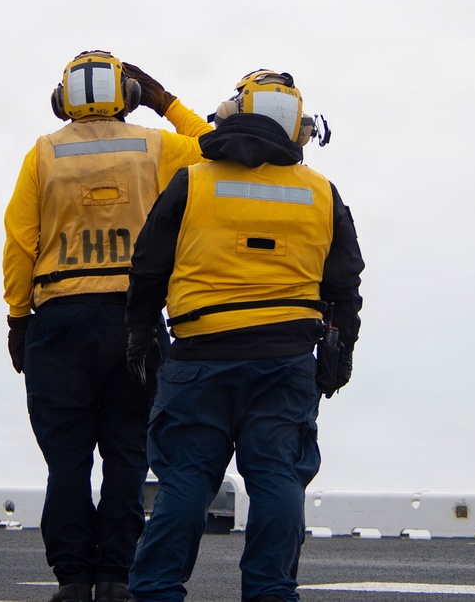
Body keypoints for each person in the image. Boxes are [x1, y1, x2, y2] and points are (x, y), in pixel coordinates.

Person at [125, 70, 364, 602]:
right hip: (285, 361)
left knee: (185, 482)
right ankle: (270, 593)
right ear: (298, 129)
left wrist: (140, 333)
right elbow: (344, 284)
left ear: (234, 114)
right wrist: (341, 348)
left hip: (199, 358)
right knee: (278, 479)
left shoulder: (192, 181)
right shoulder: (321, 193)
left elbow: (147, 268)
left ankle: (157, 592)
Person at [3, 51, 211, 602]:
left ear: (61, 99)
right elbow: (212, 144)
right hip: (134, 322)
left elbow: (20, 244)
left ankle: (72, 579)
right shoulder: (155, 147)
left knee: (66, 458)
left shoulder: (42, 154)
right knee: (127, 454)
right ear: (129, 95)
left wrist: (17, 318)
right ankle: (117, 576)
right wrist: (166, 101)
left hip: (59, 323)